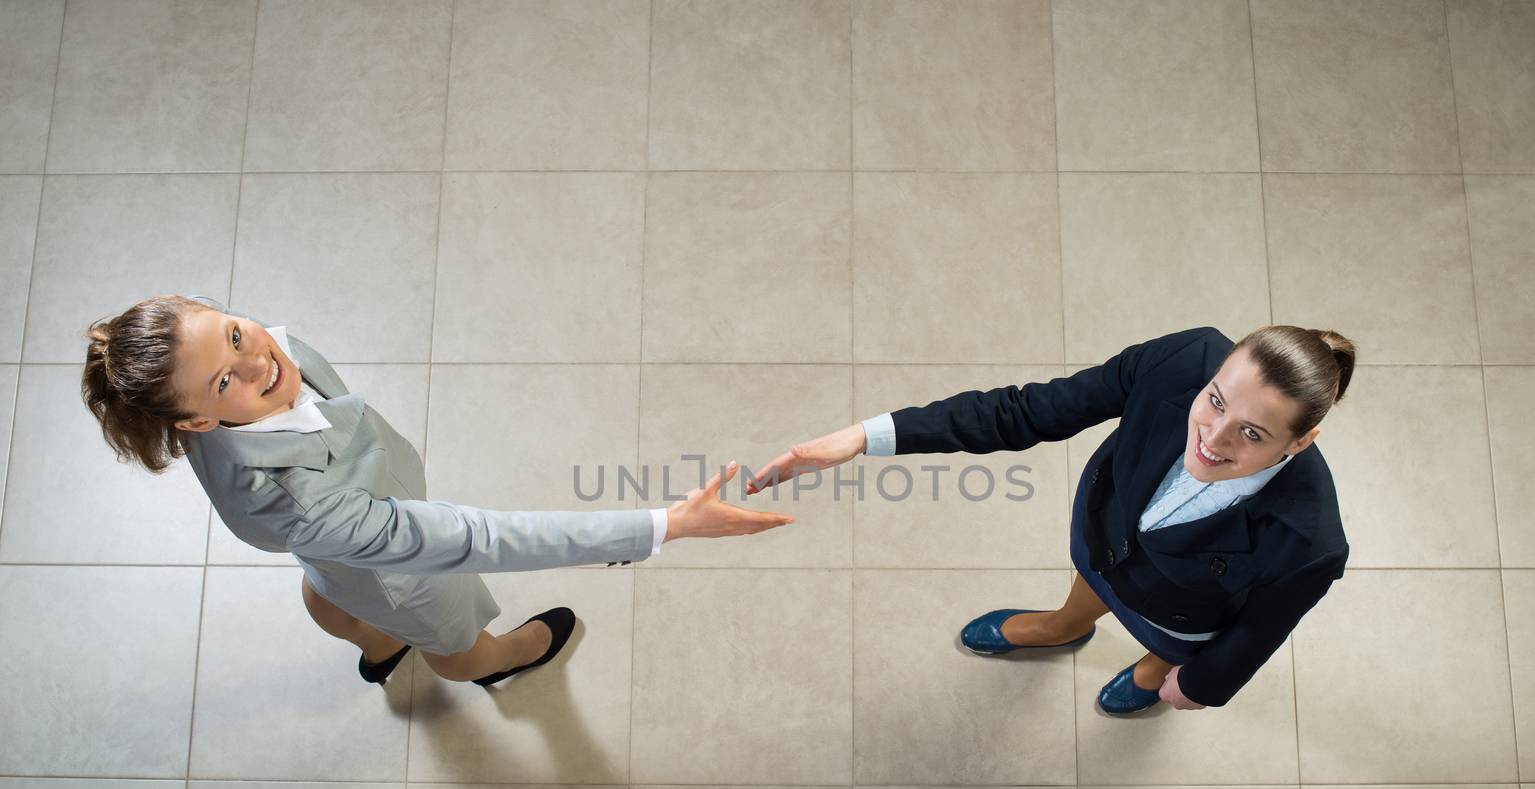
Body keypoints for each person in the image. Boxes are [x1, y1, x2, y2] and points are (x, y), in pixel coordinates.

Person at [82, 295, 793, 687]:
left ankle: (378, 648)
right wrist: (661, 525)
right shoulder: (305, 504)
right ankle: (495, 665)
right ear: (199, 418)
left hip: (336, 559)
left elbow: (269, 375)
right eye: (225, 377)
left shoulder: (226, 390)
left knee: (328, 588)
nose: (258, 359)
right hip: (399, 573)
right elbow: (479, 538)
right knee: (454, 639)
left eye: (234, 333)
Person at [749, 326, 1353, 715]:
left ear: (1299, 443)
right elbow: (1025, 412)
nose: (1212, 440)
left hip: (1180, 616)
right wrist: (863, 438)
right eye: (1215, 400)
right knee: (1093, 583)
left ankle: (1149, 672)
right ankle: (1064, 626)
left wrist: (1197, 688)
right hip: (1106, 536)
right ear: (1215, 370)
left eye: (1252, 433)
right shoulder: (1182, 358)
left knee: (1164, 658)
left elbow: (1259, 631)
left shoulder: (1312, 539)